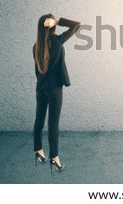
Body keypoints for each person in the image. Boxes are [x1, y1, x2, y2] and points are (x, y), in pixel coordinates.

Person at [33, 14, 81, 172]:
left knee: (39, 120)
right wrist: (59, 21)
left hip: (41, 87)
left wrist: (41, 84)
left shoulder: (36, 46)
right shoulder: (57, 41)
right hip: (54, 88)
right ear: (52, 26)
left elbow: (37, 71)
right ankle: (54, 158)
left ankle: (38, 151)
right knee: (53, 123)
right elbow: (77, 25)